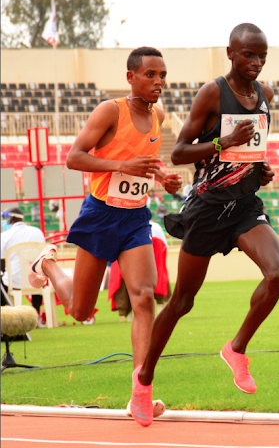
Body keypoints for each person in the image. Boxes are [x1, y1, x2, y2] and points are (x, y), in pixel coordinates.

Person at [137, 23, 279, 427]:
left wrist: (259, 170)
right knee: (182, 302)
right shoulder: (212, 92)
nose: (255, 63)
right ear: (230, 53)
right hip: (206, 208)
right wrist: (226, 143)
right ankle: (144, 380)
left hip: (243, 206)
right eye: (247, 55)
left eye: (261, 56)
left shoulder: (265, 96)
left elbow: (251, 152)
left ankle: (237, 349)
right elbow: (180, 153)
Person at [27, 46, 182, 426]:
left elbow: (146, 163)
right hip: (99, 216)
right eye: (150, 75)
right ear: (131, 77)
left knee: (144, 297)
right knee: (81, 311)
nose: (158, 81)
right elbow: (75, 157)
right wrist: (120, 164)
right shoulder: (110, 111)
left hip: (134, 219)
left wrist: (163, 177)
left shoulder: (159, 116)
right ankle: (47, 263)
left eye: (162, 75)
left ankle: (140, 392)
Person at [1, 208, 47, 325]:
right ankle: (35, 313)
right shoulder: (37, 232)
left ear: (11, 219)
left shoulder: (5, 236)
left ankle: (7, 317)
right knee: (38, 277)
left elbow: (1, 264)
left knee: (3, 281)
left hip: (13, 280)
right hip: (37, 280)